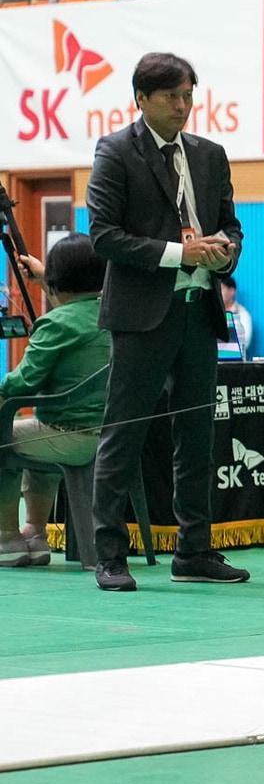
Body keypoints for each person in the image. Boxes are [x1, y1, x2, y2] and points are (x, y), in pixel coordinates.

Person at [85, 52, 248, 593]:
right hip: (140, 315)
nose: (184, 106)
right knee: (124, 433)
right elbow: (104, 236)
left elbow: (230, 224)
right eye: (172, 97)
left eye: (189, 95)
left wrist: (224, 255)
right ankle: (108, 554)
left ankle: (193, 551)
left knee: (197, 436)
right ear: (142, 99)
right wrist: (181, 253)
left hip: (199, 312)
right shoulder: (115, 151)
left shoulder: (210, 155)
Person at [0, 237, 111, 569]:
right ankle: (35, 533)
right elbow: (78, 300)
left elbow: (21, 384)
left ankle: (7, 538)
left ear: (56, 281)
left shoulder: (56, 324)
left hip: (68, 438)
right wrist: (45, 278)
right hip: (111, 438)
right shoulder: (116, 313)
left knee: (5, 437)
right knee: (34, 433)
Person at [220, 274, 253, 351]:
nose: (218, 293)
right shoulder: (213, 313)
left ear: (232, 291)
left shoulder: (243, 314)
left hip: (235, 359)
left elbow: (246, 341)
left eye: (221, 289)